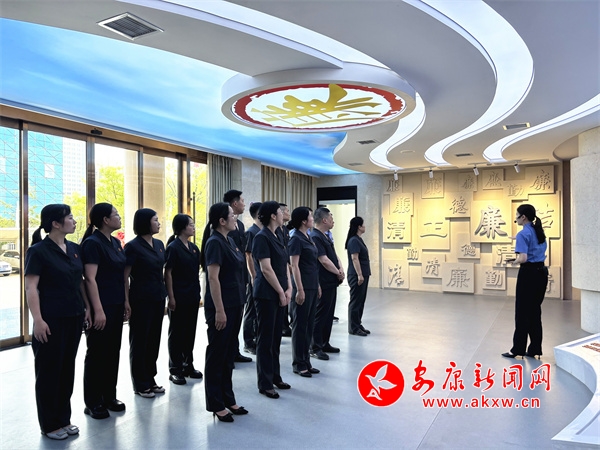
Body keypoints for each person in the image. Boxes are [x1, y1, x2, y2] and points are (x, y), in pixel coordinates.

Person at [25, 204, 91, 440]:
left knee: (66, 370)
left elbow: (80, 281)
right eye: (70, 218)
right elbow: (31, 287)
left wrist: (86, 307)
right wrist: (38, 320)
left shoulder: (74, 248)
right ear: (55, 223)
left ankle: (63, 419)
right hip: (50, 319)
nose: (74, 221)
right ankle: (49, 424)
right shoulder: (38, 251)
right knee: (49, 371)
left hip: (74, 316)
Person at [81, 203, 129, 420]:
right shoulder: (93, 243)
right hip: (101, 306)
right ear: (105, 220)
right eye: (115, 214)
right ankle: (93, 402)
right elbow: (90, 279)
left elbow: (121, 275)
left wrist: (125, 301)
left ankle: (109, 396)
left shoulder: (116, 242)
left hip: (116, 303)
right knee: (97, 354)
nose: (119, 217)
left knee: (112, 352)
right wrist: (98, 310)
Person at [200, 203, 248, 422]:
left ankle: (228, 398)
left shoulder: (230, 241)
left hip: (235, 304)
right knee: (217, 354)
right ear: (221, 221)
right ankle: (216, 403)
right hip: (222, 307)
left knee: (228, 355)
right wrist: (219, 310)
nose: (235, 218)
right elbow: (213, 278)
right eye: (232, 215)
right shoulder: (215, 243)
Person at [124, 208, 167, 398]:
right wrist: (126, 301)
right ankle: (140, 383)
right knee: (140, 341)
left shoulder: (159, 244)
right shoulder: (133, 247)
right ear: (145, 223)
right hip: (140, 300)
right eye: (155, 220)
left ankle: (151, 378)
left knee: (153, 340)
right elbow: (124, 277)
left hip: (158, 298)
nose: (159, 223)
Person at [252, 201, 292, 398]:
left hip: (281, 291)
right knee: (266, 340)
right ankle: (265, 382)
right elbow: (266, 269)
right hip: (267, 294)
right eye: (280, 212)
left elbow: (285, 264)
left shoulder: (279, 234)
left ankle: (275, 376)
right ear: (273, 216)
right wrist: (280, 291)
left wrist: (289, 287)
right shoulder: (261, 237)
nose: (283, 214)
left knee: (276, 338)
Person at [502, 204, 549, 359]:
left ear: (523, 217)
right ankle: (535, 348)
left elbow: (523, 258)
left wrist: (514, 261)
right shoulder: (538, 231)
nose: (515, 218)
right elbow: (534, 244)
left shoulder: (523, 234)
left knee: (522, 313)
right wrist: (518, 238)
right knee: (535, 311)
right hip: (541, 274)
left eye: (517, 215)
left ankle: (517, 349)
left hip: (528, 274)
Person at [165, 214, 203, 385]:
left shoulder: (193, 248)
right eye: (190, 224)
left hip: (192, 296)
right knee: (177, 333)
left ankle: (188, 365)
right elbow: (168, 273)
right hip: (179, 296)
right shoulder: (173, 248)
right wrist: (171, 297)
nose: (193, 227)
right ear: (181, 227)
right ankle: (175, 369)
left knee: (190, 332)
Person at [288, 207, 321, 377]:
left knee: (309, 326)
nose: (312, 219)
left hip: (312, 285)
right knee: (300, 326)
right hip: (302, 287)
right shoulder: (296, 239)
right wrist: (299, 289)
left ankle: (306, 361)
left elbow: (313, 264)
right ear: (303, 220)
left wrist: (317, 285)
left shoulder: (308, 237)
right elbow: (294, 266)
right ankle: (298, 363)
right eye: (310, 216)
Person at [310, 207, 344, 360]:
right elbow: (323, 260)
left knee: (328, 314)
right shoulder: (316, 236)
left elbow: (334, 256)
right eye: (331, 217)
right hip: (323, 282)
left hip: (331, 281)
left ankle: (325, 342)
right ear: (324, 220)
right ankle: (315, 347)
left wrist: (340, 268)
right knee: (320, 315)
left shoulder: (325, 236)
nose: (333, 220)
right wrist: (338, 272)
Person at [223, 189, 252, 364]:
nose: (244, 203)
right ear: (234, 203)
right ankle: (226, 354)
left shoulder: (239, 225)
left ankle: (234, 351)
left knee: (237, 318)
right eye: (242, 200)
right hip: (227, 278)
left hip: (240, 277)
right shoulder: (219, 225)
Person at [345, 216, 371, 336]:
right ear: (359, 227)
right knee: (356, 301)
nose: (365, 226)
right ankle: (353, 327)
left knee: (361, 301)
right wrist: (359, 275)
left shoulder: (358, 239)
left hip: (363, 274)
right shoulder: (354, 240)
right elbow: (354, 258)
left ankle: (357, 323)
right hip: (356, 275)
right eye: (363, 224)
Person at [242, 202, 262, 355]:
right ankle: (248, 342)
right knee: (250, 311)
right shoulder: (251, 232)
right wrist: (253, 276)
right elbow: (248, 256)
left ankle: (256, 338)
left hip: (262, 277)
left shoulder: (263, 231)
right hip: (255, 277)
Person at [278, 203, 292, 337]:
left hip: (286, 268)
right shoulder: (274, 231)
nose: (289, 213)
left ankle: (285, 325)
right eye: (287, 211)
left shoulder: (286, 230)